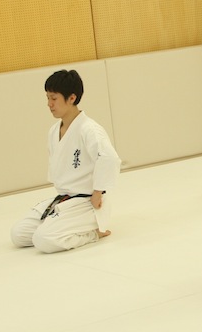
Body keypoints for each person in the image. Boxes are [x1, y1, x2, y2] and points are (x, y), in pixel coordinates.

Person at [11, 69, 121, 253]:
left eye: (54, 98)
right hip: (65, 199)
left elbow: (109, 158)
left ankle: (93, 234)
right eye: (47, 98)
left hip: (88, 202)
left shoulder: (89, 129)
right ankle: (58, 224)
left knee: (43, 240)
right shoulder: (54, 131)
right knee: (19, 235)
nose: (49, 104)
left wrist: (97, 192)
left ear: (71, 98)